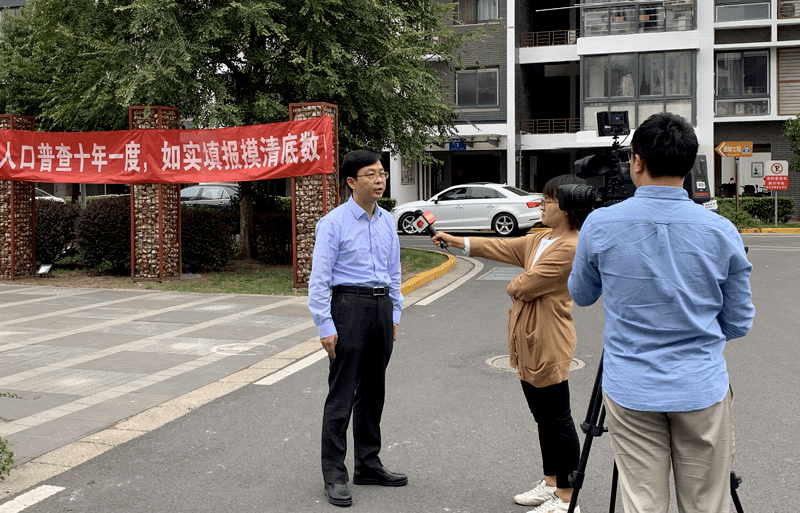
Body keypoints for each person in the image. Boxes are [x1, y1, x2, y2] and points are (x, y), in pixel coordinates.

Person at [568, 112, 755, 513]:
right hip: (701, 387)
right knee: (707, 502)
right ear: (690, 164)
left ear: (636, 161)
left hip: (630, 386)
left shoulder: (599, 225)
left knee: (643, 501)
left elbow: (581, 295)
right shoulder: (721, 231)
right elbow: (739, 322)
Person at [432, 175, 592, 513]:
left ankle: (567, 497)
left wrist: (517, 282)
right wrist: (456, 240)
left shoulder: (572, 246)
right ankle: (551, 482)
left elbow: (523, 286)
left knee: (558, 418)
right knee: (542, 417)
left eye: (548, 200)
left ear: (565, 207)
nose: (541, 204)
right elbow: (501, 247)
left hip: (550, 339)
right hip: (527, 337)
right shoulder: (542, 239)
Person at [308, 149, 407, 508]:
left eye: (382, 173)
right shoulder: (332, 223)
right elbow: (319, 280)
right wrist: (325, 325)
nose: (380, 180)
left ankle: (368, 464)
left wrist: (394, 315)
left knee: (373, 393)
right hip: (348, 307)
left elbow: (394, 273)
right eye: (371, 174)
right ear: (352, 182)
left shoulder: (386, 220)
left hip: (381, 309)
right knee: (342, 395)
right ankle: (334, 475)